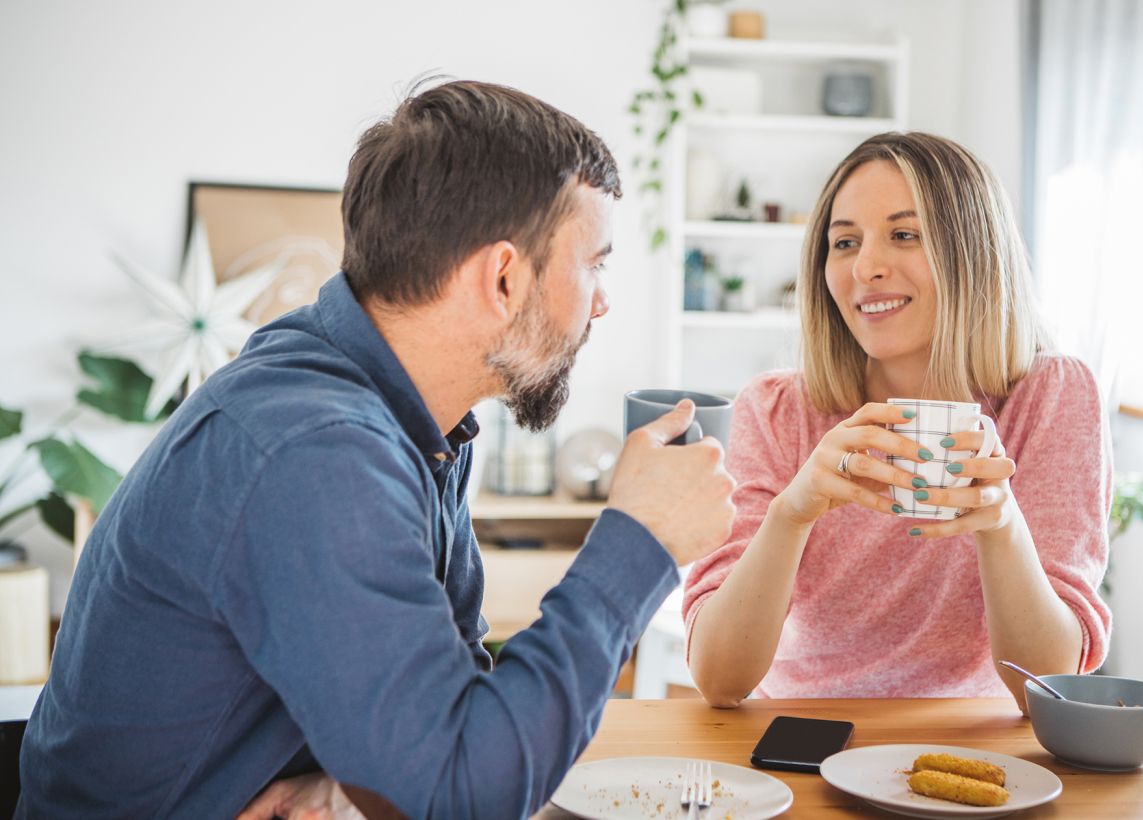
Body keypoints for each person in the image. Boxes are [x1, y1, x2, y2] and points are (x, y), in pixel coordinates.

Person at [17, 79, 736, 818]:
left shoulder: (394, 408)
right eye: (595, 265)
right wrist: (639, 541)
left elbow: (448, 713)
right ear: (504, 277)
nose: (602, 300)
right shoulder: (318, 453)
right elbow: (463, 798)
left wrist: (348, 789)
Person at [682, 132, 1111, 712]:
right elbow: (719, 678)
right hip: (805, 736)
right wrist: (791, 515)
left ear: (974, 253)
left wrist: (1001, 523)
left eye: (904, 235)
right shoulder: (777, 410)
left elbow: (1049, 682)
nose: (866, 268)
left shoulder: (1053, 397)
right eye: (844, 242)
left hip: (973, 749)